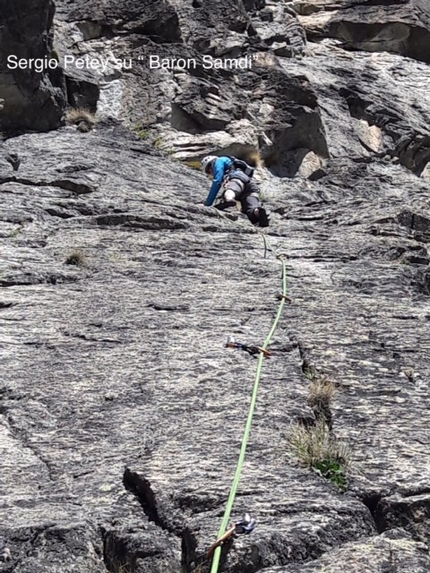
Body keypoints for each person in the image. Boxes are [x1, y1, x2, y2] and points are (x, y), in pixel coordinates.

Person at [201, 155, 269, 227]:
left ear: (210, 164)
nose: (210, 173)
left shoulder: (219, 161)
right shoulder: (233, 164)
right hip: (250, 185)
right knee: (250, 211)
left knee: (229, 191)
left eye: (208, 171)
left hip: (237, 179)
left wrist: (208, 204)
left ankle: (229, 200)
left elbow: (217, 181)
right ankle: (258, 212)